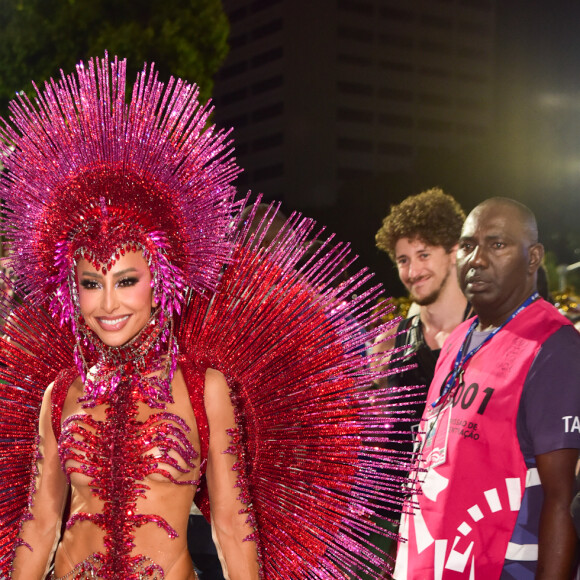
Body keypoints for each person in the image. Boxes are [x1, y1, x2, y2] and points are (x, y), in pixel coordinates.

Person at [0, 55, 417, 579]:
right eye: (90, 283)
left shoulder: (203, 387)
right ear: (72, 291)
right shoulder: (60, 393)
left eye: (127, 281)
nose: (108, 303)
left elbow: (231, 521)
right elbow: (39, 525)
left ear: (160, 283)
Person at [393, 197, 580, 579]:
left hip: (503, 567)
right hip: (433, 562)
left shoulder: (553, 346)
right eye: (467, 246)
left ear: (533, 257)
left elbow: (562, 502)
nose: (476, 259)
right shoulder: (459, 339)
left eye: (497, 245)